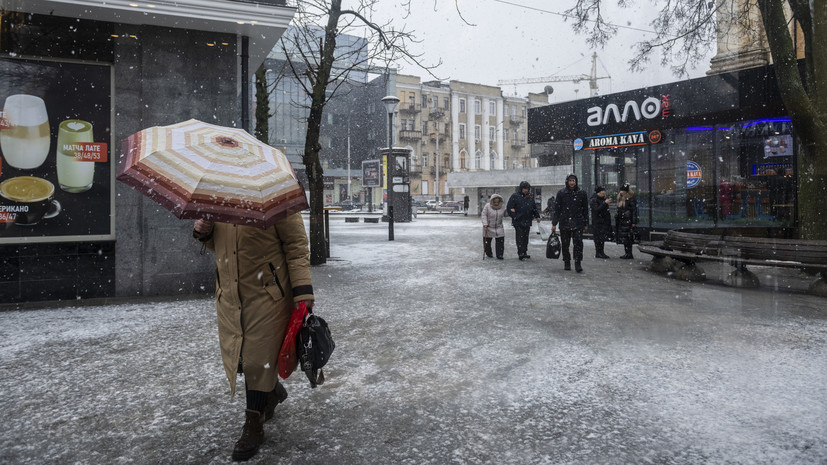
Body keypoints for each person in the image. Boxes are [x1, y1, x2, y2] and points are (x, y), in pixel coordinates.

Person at [193, 214, 314, 461]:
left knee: (256, 359)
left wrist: (302, 291)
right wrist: (203, 232)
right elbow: (220, 245)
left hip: (267, 294)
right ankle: (270, 392)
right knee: (239, 355)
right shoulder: (218, 197)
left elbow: (296, 246)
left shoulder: (276, 193)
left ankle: (253, 423)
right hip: (230, 294)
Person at [552, 174, 589, 272]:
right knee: (565, 244)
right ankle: (567, 261)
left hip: (578, 222)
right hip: (564, 221)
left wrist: (586, 223)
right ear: (567, 182)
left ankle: (578, 262)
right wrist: (554, 223)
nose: (572, 183)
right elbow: (557, 209)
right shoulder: (561, 193)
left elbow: (585, 209)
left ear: (576, 182)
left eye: (574, 181)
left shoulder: (582, 193)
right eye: (570, 181)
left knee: (578, 243)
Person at [506, 181, 541, 260]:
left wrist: (537, 216)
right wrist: (514, 216)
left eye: (527, 189)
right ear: (521, 188)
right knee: (520, 237)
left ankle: (524, 252)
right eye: (524, 188)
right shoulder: (515, 196)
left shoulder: (530, 197)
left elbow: (534, 208)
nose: (525, 190)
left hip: (527, 220)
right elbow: (509, 207)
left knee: (525, 237)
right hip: (518, 221)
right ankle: (520, 253)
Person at [615, 184, 639, 259]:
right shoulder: (621, 198)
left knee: (628, 237)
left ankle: (629, 253)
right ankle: (627, 253)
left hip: (628, 220)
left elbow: (634, 211)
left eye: (623, 191)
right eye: (621, 190)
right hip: (623, 220)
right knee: (625, 237)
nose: (621, 192)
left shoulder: (630, 199)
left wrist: (634, 222)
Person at [589, 186, 612, 259]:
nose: (604, 192)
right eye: (602, 191)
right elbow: (596, 210)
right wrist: (605, 203)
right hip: (597, 222)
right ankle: (598, 253)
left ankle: (601, 252)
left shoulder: (602, 199)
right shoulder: (594, 200)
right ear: (599, 192)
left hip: (603, 222)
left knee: (602, 238)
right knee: (598, 238)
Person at [481, 193, 506, 259]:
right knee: (487, 243)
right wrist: (485, 223)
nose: (496, 204)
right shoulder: (487, 206)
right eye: (495, 202)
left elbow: (506, 214)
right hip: (488, 227)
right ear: (492, 201)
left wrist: (510, 211)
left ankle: (499, 254)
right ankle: (489, 253)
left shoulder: (502, 207)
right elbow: (484, 215)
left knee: (500, 241)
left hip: (499, 227)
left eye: (497, 202)